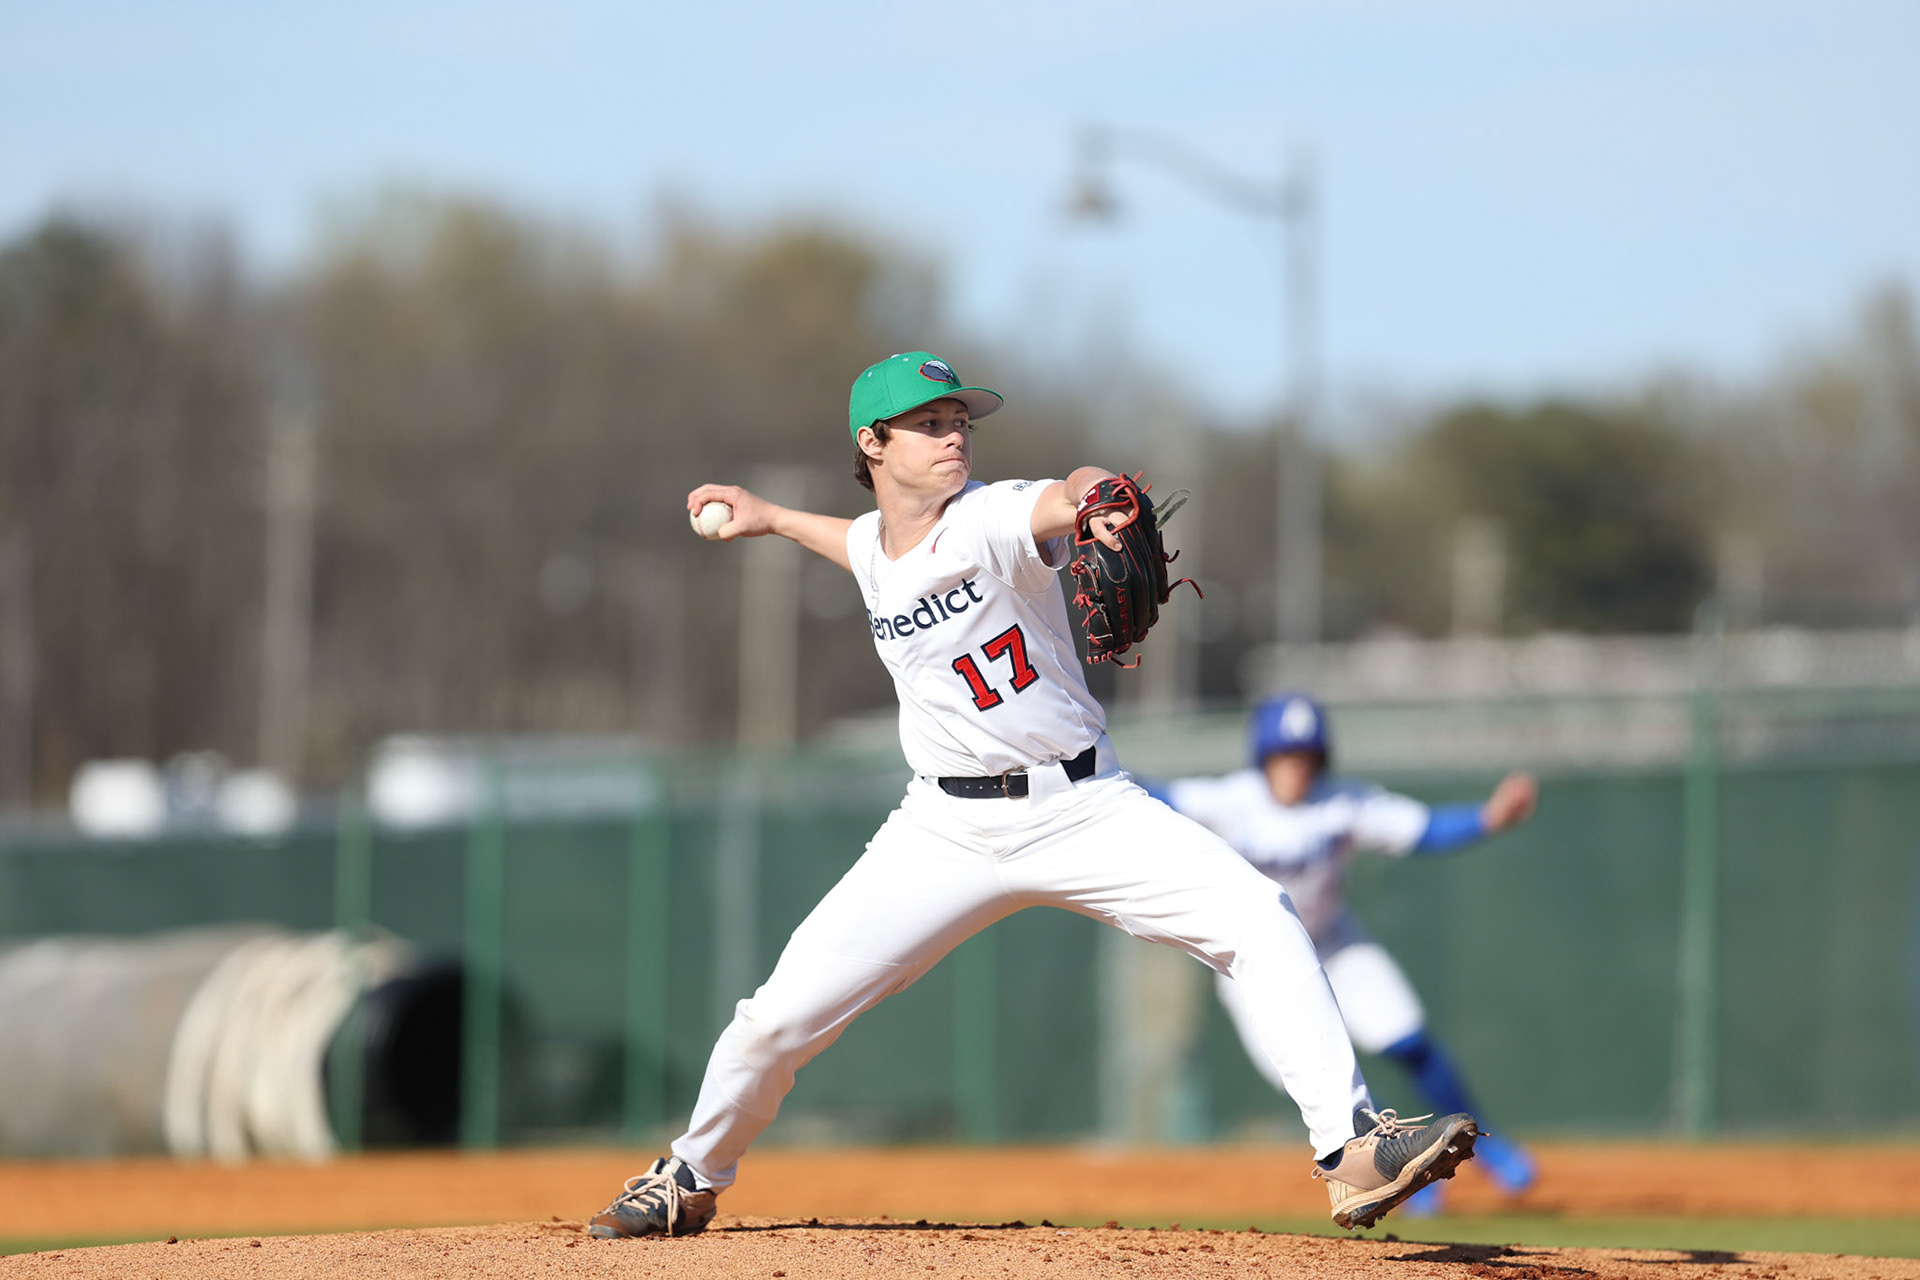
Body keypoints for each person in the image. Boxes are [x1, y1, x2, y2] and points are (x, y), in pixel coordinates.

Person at [588, 352, 1477, 1239]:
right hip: (942, 828)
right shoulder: (872, 547)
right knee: (775, 1019)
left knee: (1261, 918)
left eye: (960, 421)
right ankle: (689, 1176)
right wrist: (773, 518)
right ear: (872, 443)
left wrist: (1099, 494)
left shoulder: (988, 518)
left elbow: (1061, 494)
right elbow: (858, 544)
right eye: (930, 424)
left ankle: (1350, 1148)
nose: (954, 437)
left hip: (1082, 806)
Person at [1155, 693, 1539, 1205]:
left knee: (1408, 1039)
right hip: (1252, 963)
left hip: (1334, 943)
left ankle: (1488, 1147)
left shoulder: (1342, 802)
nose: (1297, 767)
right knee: (1316, 1074)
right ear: (1264, 758)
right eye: (1285, 755)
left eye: (1307, 756)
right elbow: (1145, 796)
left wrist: (1489, 817)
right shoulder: (1229, 801)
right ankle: (1400, 1173)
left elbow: (1421, 829)